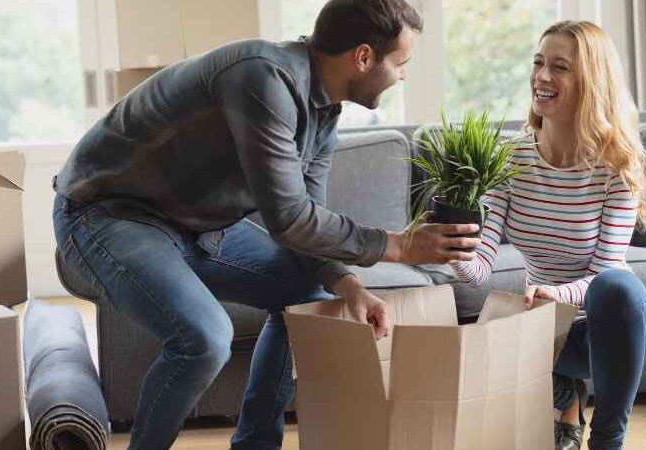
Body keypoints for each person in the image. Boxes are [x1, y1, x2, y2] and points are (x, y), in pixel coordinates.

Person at [52, 1, 481, 449]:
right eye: (400, 62)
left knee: (308, 297)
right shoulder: (261, 76)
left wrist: (348, 284)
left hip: (199, 227)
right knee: (205, 339)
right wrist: (399, 247)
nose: (403, 76)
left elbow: (308, 221)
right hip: (108, 214)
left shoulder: (324, 114)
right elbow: (289, 218)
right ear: (363, 57)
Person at [447, 20, 646, 450]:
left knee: (616, 285)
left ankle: (607, 440)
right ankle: (567, 395)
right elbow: (480, 269)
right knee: (489, 333)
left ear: (591, 81)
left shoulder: (616, 167)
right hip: (554, 335)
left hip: (624, 335)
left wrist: (557, 293)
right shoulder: (510, 158)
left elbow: (604, 272)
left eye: (560, 67)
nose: (542, 76)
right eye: (538, 63)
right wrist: (453, 248)